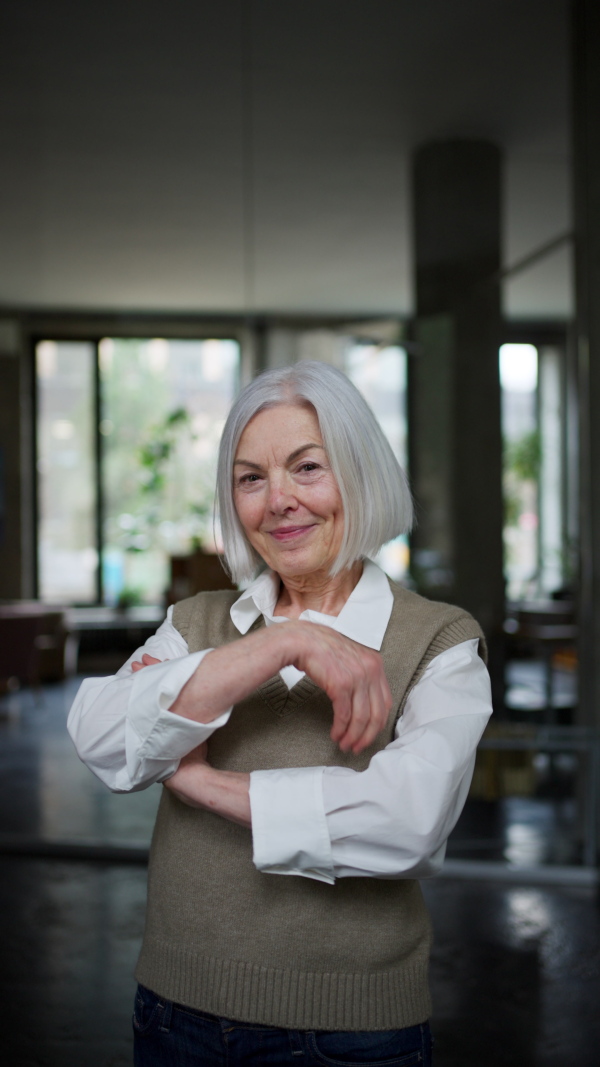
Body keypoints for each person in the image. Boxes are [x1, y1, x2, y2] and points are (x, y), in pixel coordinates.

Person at [68, 360, 492, 1066]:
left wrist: (201, 782)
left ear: (358, 474)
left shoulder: (440, 639)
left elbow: (409, 820)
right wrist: (285, 641)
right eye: (251, 478)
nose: (279, 501)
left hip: (353, 1034)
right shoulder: (196, 620)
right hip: (175, 1015)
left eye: (306, 467)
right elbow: (102, 736)